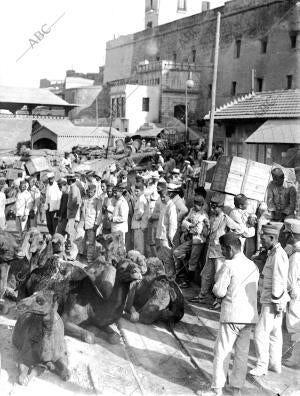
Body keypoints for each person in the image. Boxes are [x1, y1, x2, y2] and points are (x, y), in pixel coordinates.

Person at [202, 232, 259, 396]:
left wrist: (215, 290)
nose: (222, 253)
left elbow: (219, 291)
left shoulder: (228, 265)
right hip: (249, 316)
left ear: (229, 249)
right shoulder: (252, 265)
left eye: (223, 250)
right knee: (242, 354)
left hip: (231, 316)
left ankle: (217, 388)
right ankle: (236, 389)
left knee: (222, 351)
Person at [189, 193, 243, 306]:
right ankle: (202, 295)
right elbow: (209, 234)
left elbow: (239, 229)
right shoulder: (212, 218)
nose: (213, 209)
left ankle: (218, 301)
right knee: (206, 274)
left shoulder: (225, 218)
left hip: (220, 253)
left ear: (220, 207)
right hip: (211, 251)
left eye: (215, 207)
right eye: (212, 206)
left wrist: (229, 239)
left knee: (219, 277)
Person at [250, 222, 289, 376]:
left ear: (272, 238)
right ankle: (274, 364)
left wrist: (275, 303)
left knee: (260, 333)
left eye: (263, 237)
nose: (261, 240)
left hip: (272, 301)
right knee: (274, 334)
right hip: (275, 301)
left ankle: (262, 366)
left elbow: (279, 281)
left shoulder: (278, 255)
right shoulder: (274, 252)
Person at [173, 194, 209, 288]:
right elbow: (184, 221)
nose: (198, 206)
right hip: (190, 238)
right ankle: (185, 272)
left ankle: (187, 281)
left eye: (200, 205)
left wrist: (190, 227)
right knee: (177, 252)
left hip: (198, 241)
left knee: (193, 262)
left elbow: (200, 231)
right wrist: (190, 226)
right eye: (196, 204)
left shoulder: (204, 215)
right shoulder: (192, 210)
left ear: (202, 205)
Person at [282, 218, 300, 369]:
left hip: (296, 294)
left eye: (288, 234)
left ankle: (296, 359)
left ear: (293, 236)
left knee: (295, 326)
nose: (286, 237)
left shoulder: (296, 256)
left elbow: (289, 281)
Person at [156, 187, 177, 277]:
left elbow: (173, 223)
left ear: (169, 195)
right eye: (161, 196)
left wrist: (170, 237)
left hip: (167, 237)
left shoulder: (171, 206)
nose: (162, 198)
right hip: (161, 235)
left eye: (164, 196)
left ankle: (170, 276)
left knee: (168, 259)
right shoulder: (163, 204)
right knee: (161, 257)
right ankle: (164, 275)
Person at [80, 184, 102, 264]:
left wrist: (96, 224)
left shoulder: (97, 200)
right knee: (85, 241)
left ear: (95, 192)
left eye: (91, 192)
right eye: (89, 192)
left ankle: (90, 259)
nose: (90, 194)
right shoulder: (85, 199)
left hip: (92, 224)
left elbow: (99, 214)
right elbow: (83, 212)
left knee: (91, 243)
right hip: (85, 224)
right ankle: (85, 256)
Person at [111, 185, 129, 255]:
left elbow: (123, 218)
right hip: (116, 229)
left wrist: (113, 219)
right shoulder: (118, 201)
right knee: (115, 249)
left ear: (121, 192)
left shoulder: (123, 202)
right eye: (113, 192)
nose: (114, 194)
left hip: (120, 230)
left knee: (121, 249)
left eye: (116, 192)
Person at [131, 182, 148, 255]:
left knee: (139, 247)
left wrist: (136, 217)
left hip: (139, 225)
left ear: (142, 191)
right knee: (138, 246)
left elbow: (140, 212)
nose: (136, 193)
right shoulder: (139, 199)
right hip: (138, 226)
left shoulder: (141, 199)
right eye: (135, 191)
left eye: (137, 191)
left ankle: (139, 263)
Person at [66, 174, 82, 242]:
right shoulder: (72, 187)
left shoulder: (74, 188)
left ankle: (72, 241)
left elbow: (74, 200)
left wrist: (71, 209)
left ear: (70, 180)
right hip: (73, 211)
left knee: (71, 228)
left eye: (68, 179)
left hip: (73, 211)